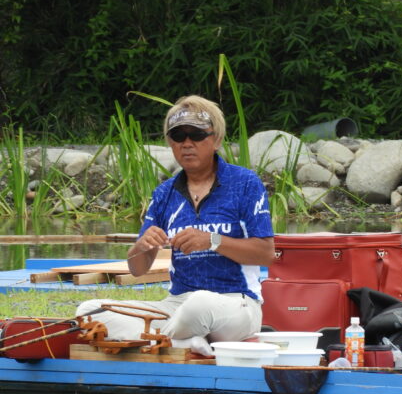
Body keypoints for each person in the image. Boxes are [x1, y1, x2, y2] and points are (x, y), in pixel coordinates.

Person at [76, 95, 275, 353]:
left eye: (197, 135)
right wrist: (143, 246)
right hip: (177, 304)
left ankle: (163, 341)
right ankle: (182, 342)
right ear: (170, 143)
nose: (187, 143)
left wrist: (212, 240)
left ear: (216, 140)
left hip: (236, 303)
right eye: (178, 136)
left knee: (199, 305)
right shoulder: (164, 193)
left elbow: (266, 254)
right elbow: (137, 269)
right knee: (90, 311)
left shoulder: (245, 183)